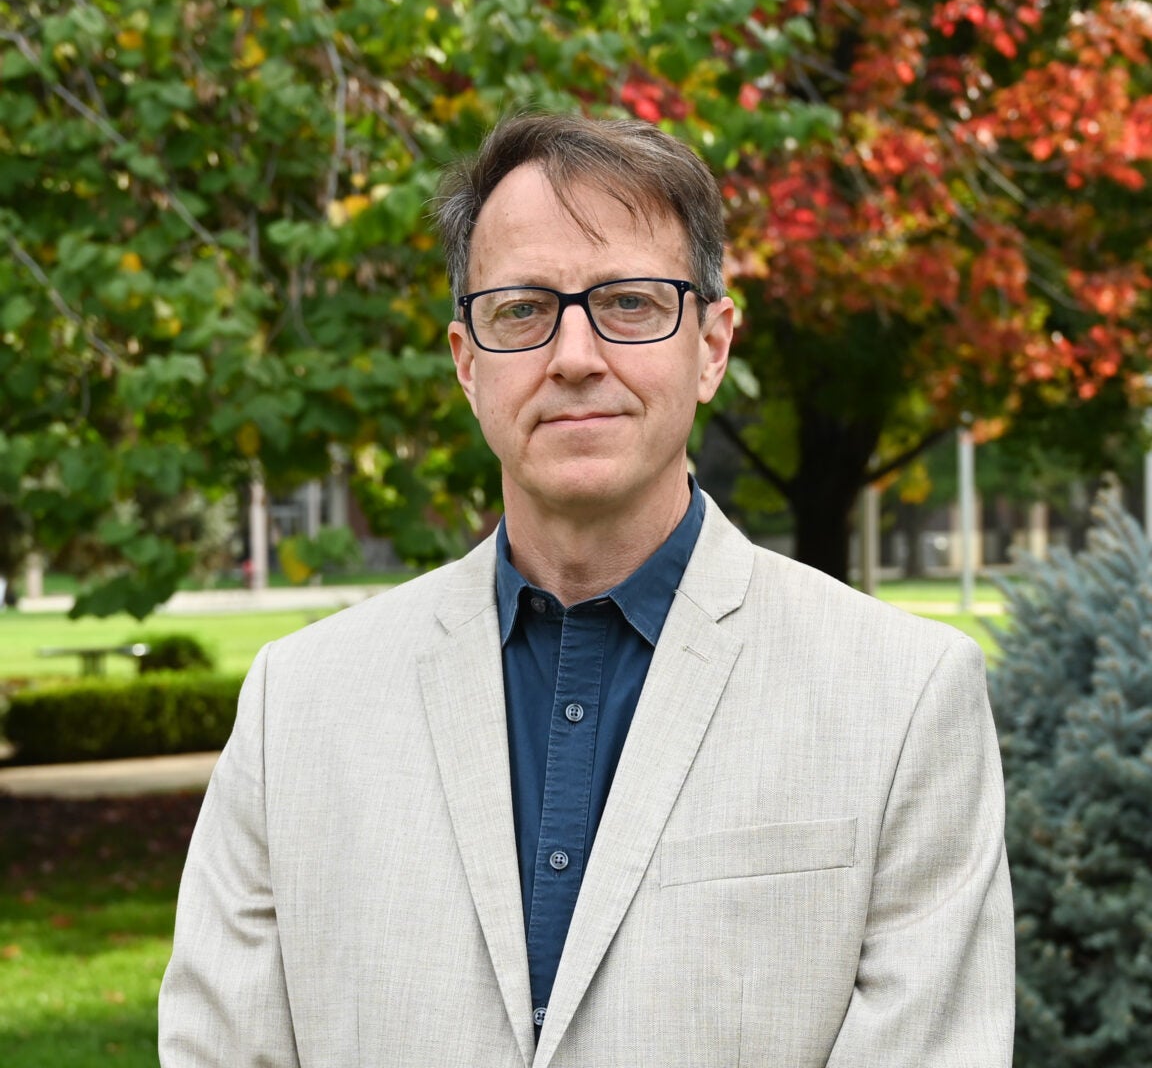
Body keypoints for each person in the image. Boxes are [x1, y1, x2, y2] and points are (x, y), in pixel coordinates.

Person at [159, 114, 1014, 1067]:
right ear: (466, 361)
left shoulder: (902, 696)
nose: (573, 356)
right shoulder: (297, 705)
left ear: (713, 345)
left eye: (632, 303)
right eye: (522, 309)